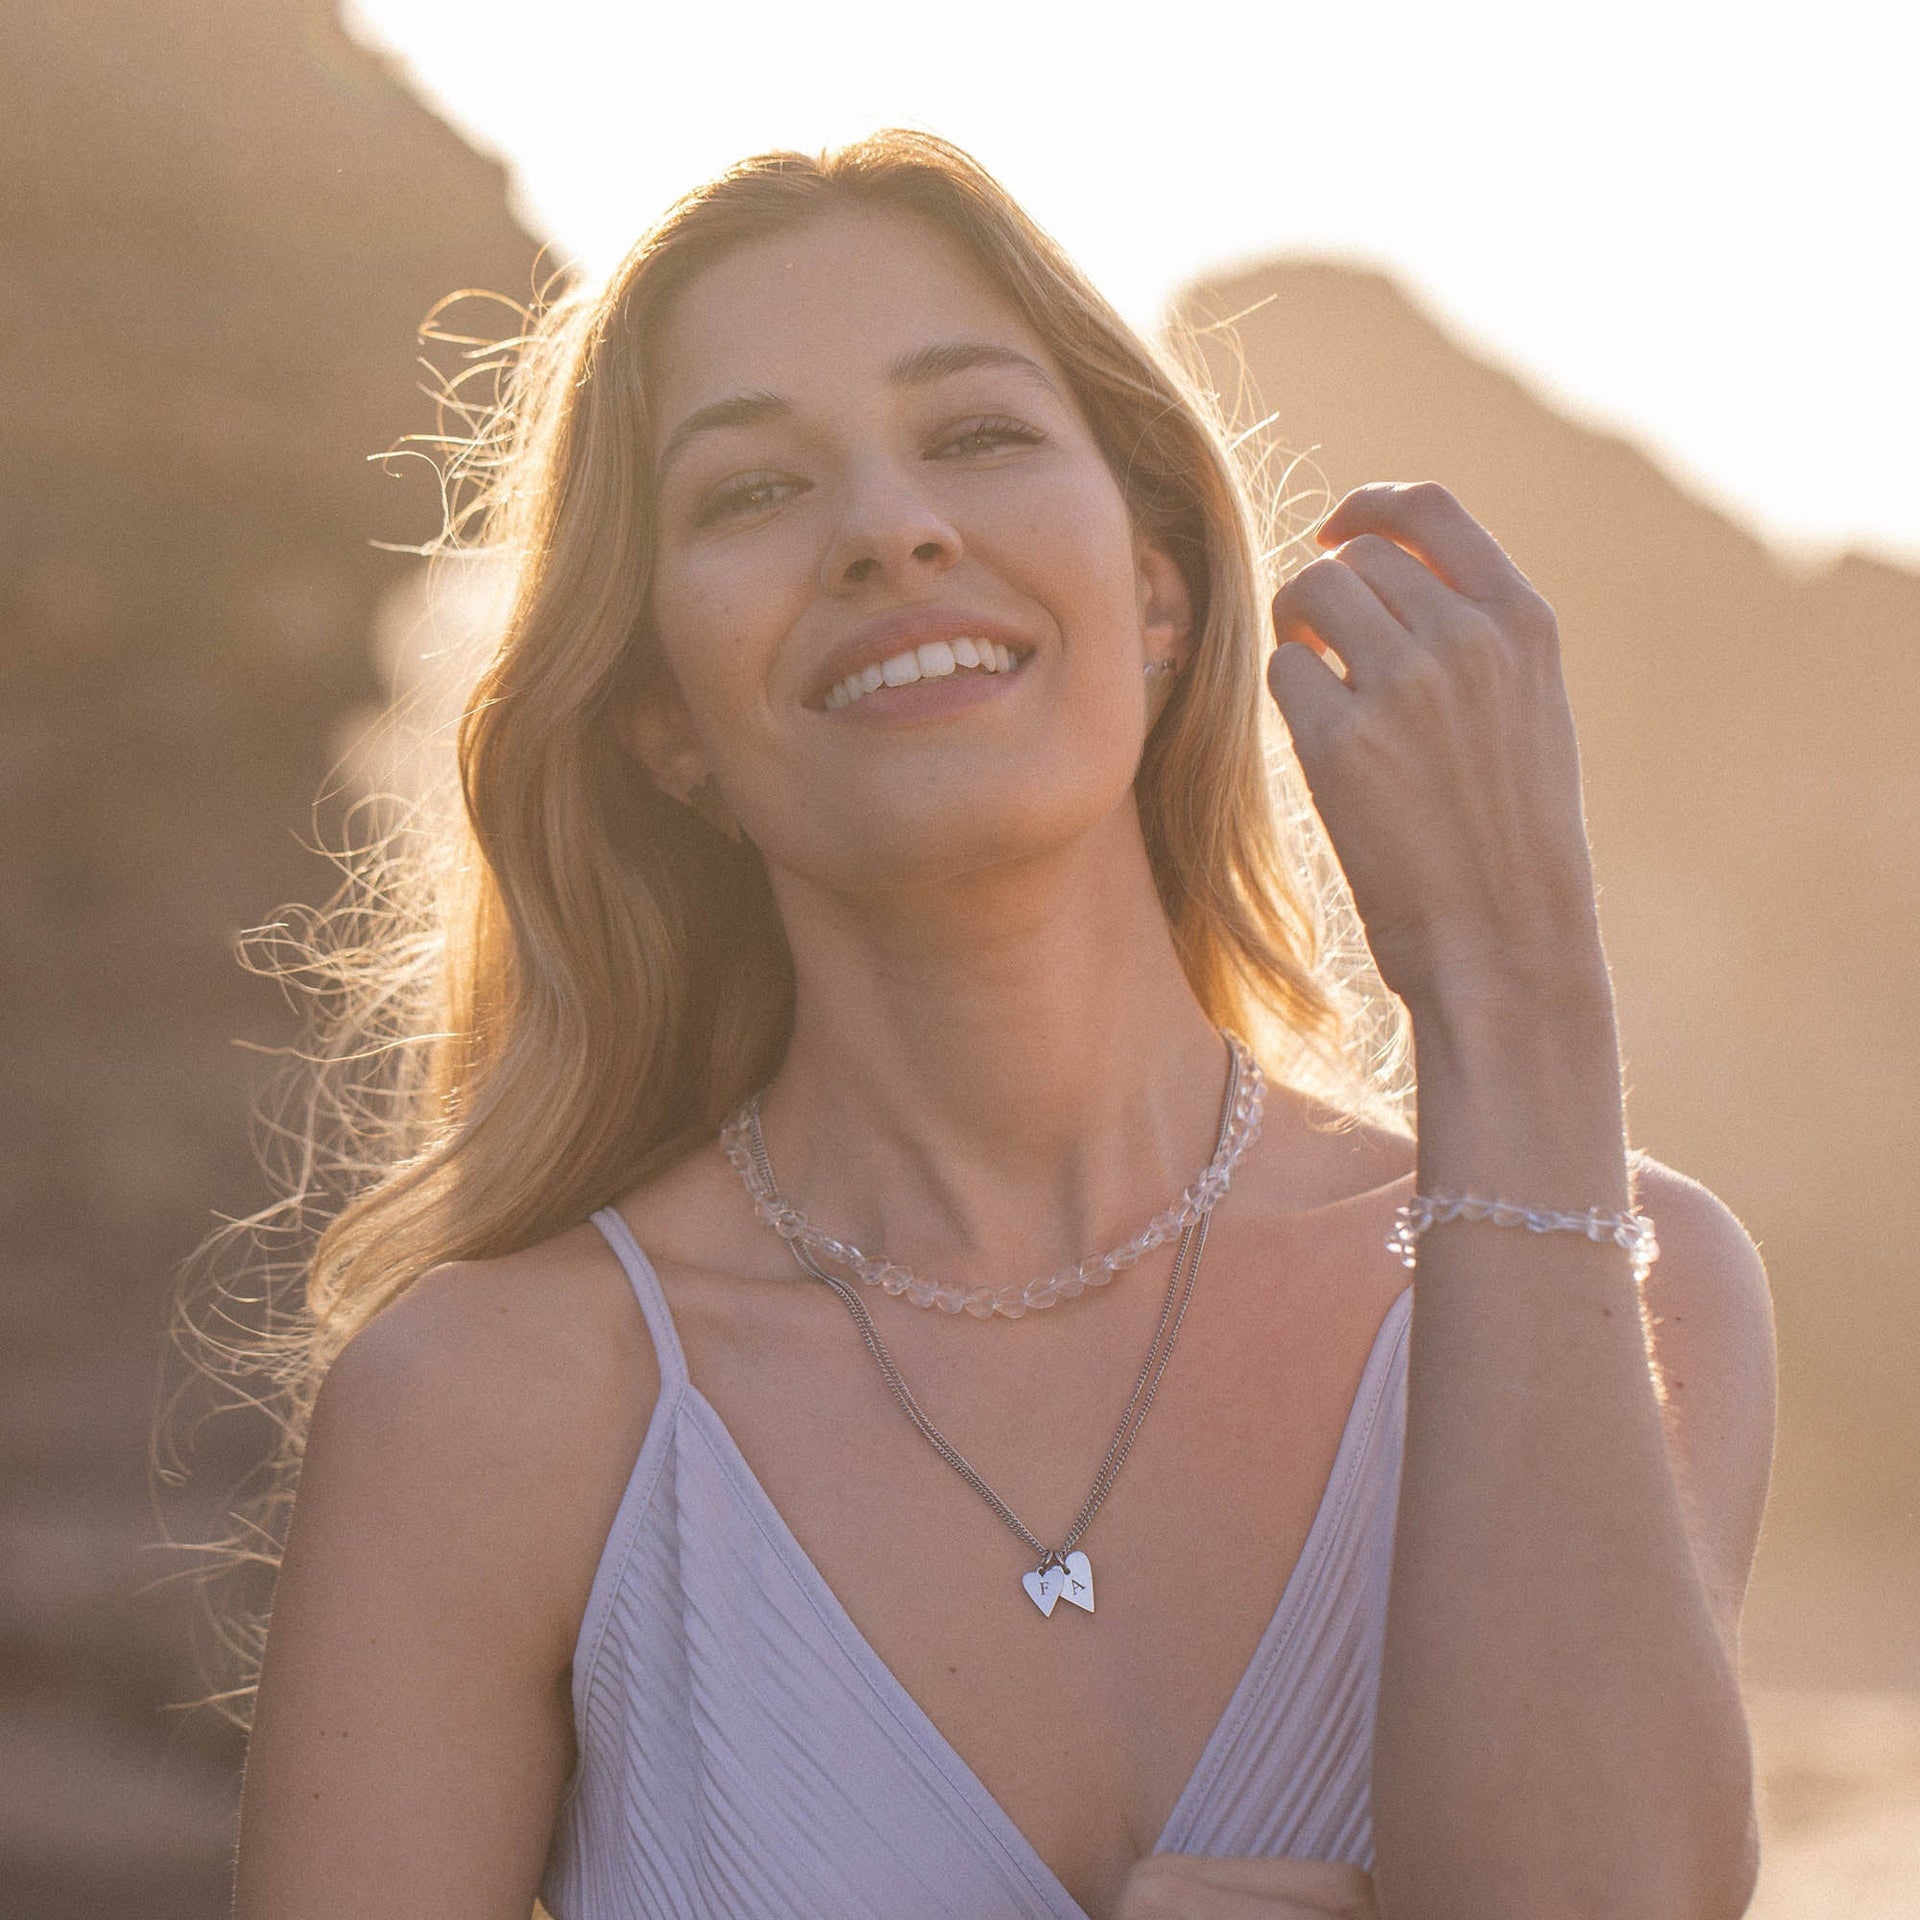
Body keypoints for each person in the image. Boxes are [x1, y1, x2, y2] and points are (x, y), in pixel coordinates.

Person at [222, 130, 1776, 1919]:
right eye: (748, 493)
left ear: (1162, 591)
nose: (890, 528)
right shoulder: (486, 1409)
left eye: (974, 436)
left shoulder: (1638, 1290)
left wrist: (1516, 1000)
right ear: (663, 717)